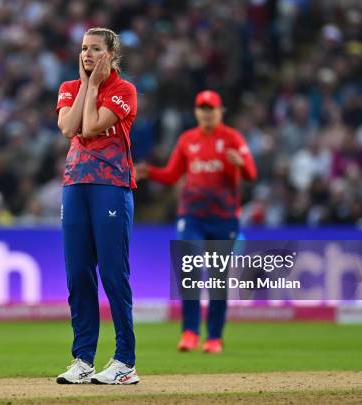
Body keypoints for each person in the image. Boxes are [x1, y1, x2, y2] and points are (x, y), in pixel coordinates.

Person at [136, 90, 257, 354]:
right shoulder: (187, 140)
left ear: (220, 111)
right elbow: (171, 175)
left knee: (217, 278)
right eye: (202, 108)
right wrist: (150, 172)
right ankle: (189, 332)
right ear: (196, 112)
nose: (206, 112)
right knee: (189, 272)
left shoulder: (232, 138)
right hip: (192, 215)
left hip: (224, 217)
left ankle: (214, 337)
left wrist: (241, 164)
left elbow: (251, 173)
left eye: (210, 108)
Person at [55, 27, 139, 385]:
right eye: (84, 49)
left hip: (111, 185)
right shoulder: (69, 87)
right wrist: (85, 85)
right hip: (75, 184)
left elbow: (89, 127)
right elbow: (67, 127)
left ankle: (125, 361)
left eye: (96, 49)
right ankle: (83, 359)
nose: (88, 55)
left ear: (111, 55)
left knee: (112, 275)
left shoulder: (124, 90)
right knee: (78, 275)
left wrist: (92, 86)